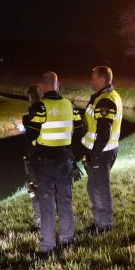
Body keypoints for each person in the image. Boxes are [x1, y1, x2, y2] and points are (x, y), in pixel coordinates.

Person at [23, 71, 85, 256]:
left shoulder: (40, 108)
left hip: (45, 164)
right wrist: (72, 155)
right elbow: (80, 130)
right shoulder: (70, 106)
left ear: (43, 87)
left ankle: (48, 246)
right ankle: (67, 240)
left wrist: (36, 149)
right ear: (58, 85)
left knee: (47, 204)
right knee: (65, 201)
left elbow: (30, 136)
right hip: (65, 161)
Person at [81, 66, 123, 234]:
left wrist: (95, 154)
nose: (91, 81)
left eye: (93, 78)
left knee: (101, 188)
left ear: (102, 79)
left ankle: (105, 226)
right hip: (98, 151)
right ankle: (99, 222)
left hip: (102, 152)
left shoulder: (106, 100)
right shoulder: (101, 97)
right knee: (93, 187)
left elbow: (104, 132)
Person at [20, 84, 44, 230]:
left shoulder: (29, 116)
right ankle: (45, 216)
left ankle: (38, 220)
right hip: (46, 157)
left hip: (33, 159)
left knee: (32, 189)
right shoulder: (47, 113)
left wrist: (25, 127)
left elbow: (31, 135)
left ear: (30, 97)